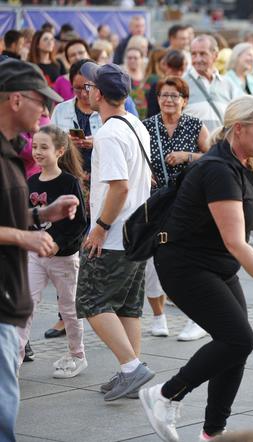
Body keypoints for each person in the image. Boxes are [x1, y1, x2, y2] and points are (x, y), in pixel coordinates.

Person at [139, 95, 253, 441]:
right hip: (184, 265)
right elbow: (236, 242)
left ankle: (213, 433)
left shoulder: (249, 165)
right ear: (238, 129)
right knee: (239, 339)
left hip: (215, 265)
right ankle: (165, 395)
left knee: (235, 343)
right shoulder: (218, 169)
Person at [0, 58, 79, 442]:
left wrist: (41, 213)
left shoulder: (15, 151)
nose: (47, 111)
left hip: (9, 302)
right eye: (40, 101)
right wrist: (25, 237)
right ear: (16, 100)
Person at [76, 61, 154, 401]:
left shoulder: (109, 134)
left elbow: (119, 187)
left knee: (92, 303)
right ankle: (129, 372)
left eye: (90, 87)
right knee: (128, 307)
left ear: (100, 93)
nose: (87, 92)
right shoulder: (134, 124)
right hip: (138, 232)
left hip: (114, 235)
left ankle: (131, 368)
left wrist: (100, 228)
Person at [141, 76, 209, 340]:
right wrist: (144, 173)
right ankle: (158, 319)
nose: (168, 100)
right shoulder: (147, 127)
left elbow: (213, 156)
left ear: (185, 100)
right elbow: (136, 158)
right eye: (164, 95)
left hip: (189, 202)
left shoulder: (195, 126)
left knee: (187, 260)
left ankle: (196, 319)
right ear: (157, 99)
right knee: (152, 261)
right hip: (156, 202)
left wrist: (186, 156)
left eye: (174, 95)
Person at [17, 125, 88, 377]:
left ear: (60, 151)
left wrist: (57, 243)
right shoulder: (30, 182)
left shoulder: (70, 183)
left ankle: (77, 354)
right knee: (26, 305)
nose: (37, 151)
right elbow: (23, 218)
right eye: (34, 146)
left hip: (64, 258)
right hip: (34, 257)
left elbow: (79, 223)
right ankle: (15, 358)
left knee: (69, 309)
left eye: (43, 147)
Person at [183, 35, 226, 131]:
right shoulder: (181, 84)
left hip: (221, 144)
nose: (198, 59)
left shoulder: (228, 84)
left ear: (215, 55)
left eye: (203, 54)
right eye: (194, 54)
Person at [146, 50, 186, 119]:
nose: (177, 73)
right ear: (164, 65)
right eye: (173, 68)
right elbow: (152, 114)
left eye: (180, 69)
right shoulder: (156, 86)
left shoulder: (185, 87)